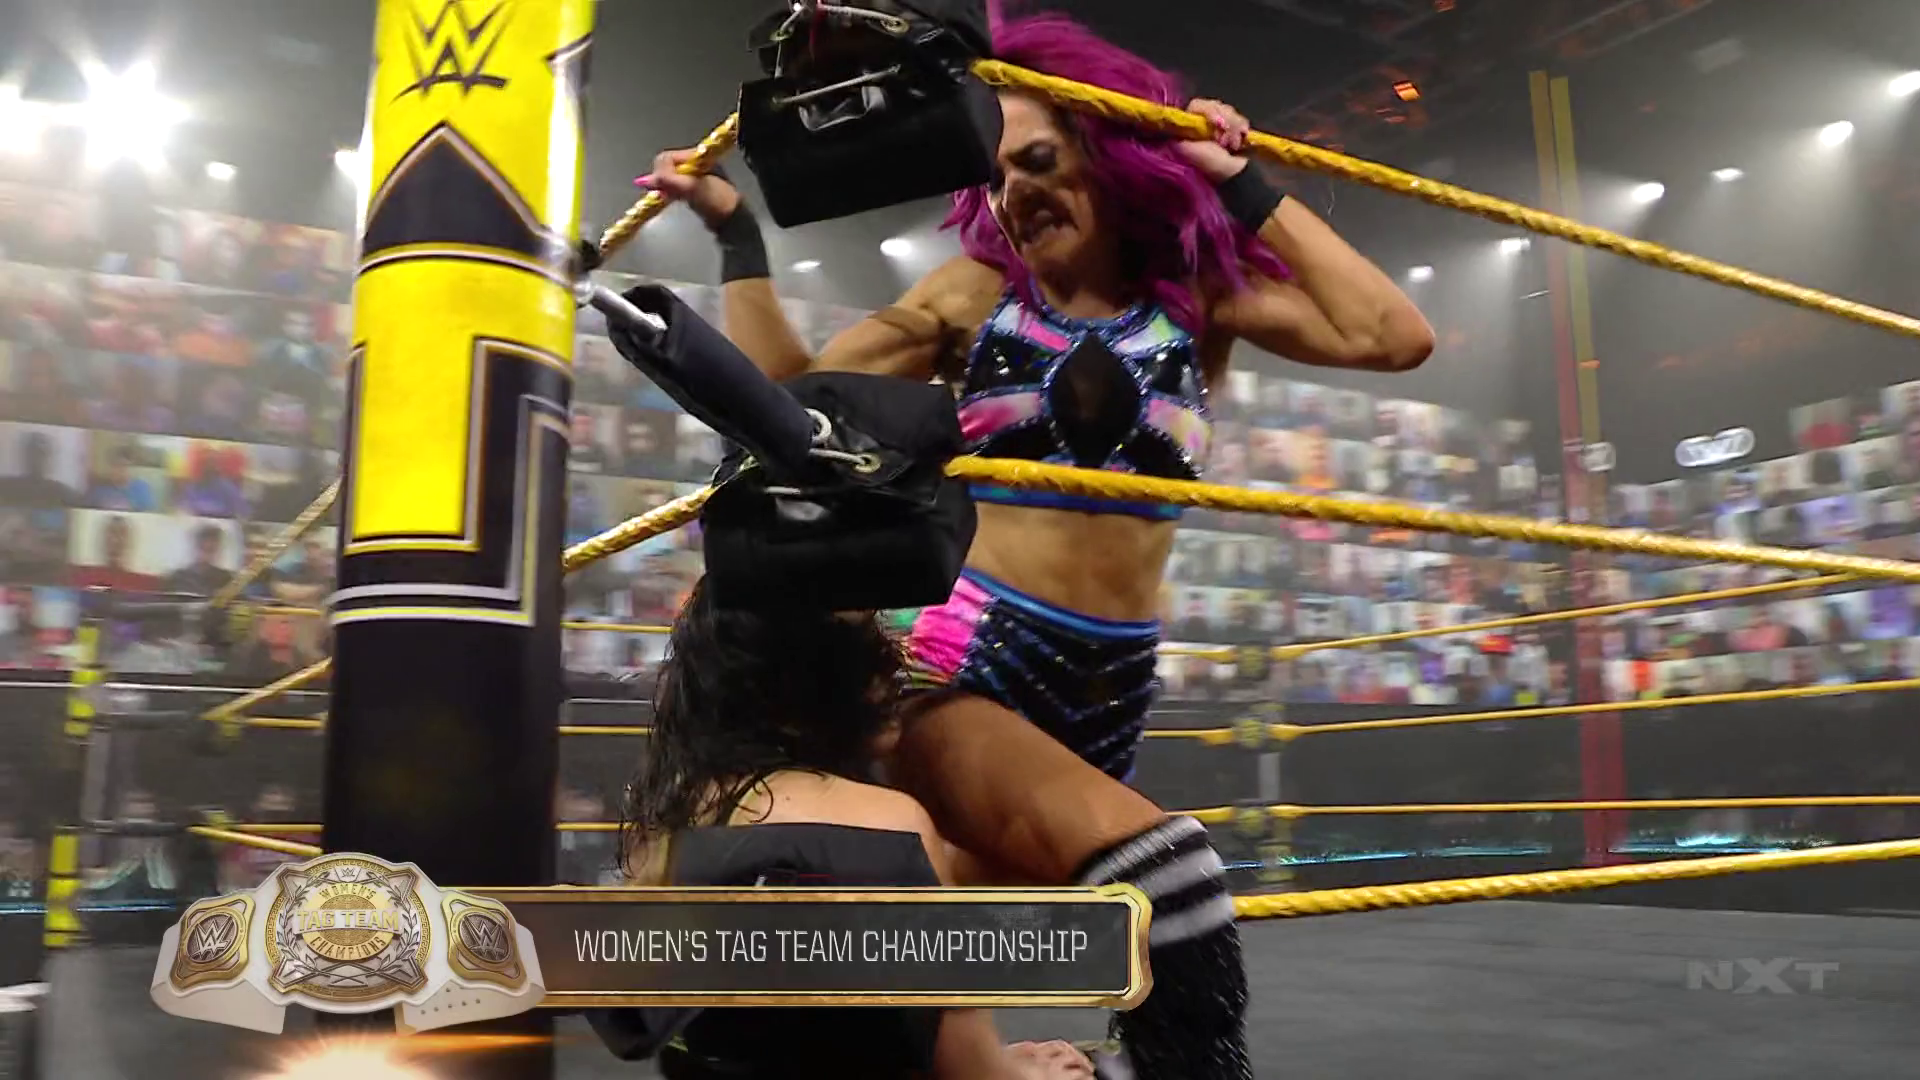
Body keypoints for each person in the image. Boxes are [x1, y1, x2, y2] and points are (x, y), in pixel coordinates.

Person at [643, 11, 1430, 1077]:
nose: (1016, 193)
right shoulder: (974, 297)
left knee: (952, 931)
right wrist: (739, 238)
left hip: (1112, 687)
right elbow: (788, 398)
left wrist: (1236, 178)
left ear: (1107, 158)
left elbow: (1393, 335)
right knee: (1164, 882)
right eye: (998, 174)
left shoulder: (1199, 302)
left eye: (1041, 161)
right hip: (970, 662)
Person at [615, 577, 1092, 1080]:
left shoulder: (672, 820)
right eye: (864, 654)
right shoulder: (885, 824)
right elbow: (974, 1072)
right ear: (800, 684)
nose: (893, 672)